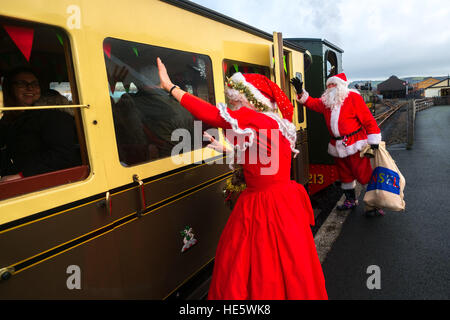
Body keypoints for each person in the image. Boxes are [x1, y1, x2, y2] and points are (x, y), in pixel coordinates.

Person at [157, 58, 327, 300]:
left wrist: (171, 87)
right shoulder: (274, 123)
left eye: (236, 101)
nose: (233, 107)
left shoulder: (253, 118)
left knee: (252, 263)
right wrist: (226, 149)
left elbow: (213, 115)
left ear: (251, 100)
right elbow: (266, 159)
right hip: (284, 200)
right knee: (290, 262)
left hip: (263, 204)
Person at [291, 73, 383, 216]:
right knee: (345, 175)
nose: (331, 88)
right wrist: (300, 91)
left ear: (341, 86)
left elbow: (368, 120)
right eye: (329, 85)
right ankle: (350, 201)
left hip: (355, 143)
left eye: (334, 85)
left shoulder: (353, 98)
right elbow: (312, 103)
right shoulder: (327, 101)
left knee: (365, 174)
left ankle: (374, 205)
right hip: (337, 145)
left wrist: (374, 141)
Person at [0, 67, 81, 181]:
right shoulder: (9, 119)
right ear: (9, 89)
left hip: (43, 183)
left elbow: (63, 155)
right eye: (22, 84)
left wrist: (22, 176)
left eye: (34, 84)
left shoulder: (53, 115)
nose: (30, 88)